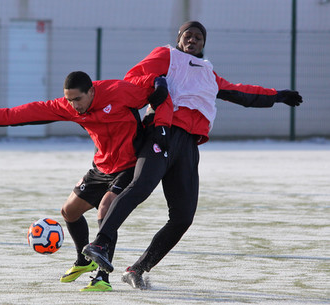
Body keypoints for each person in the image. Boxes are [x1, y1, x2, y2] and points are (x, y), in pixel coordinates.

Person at [82, 21, 303, 289]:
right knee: (139, 187)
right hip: (161, 134)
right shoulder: (166, 56)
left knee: (183, 217)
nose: (193, 39)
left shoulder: (208, 73)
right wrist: (155, 84)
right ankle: (100, 243)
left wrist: (277, 96)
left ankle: (137, 269)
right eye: (188, 35)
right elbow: (132, 78)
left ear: (203, 43)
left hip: (188, 146)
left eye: (198, 37)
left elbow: (242, 92)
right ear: (179, 39)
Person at [0, 71, 171, 292]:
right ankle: (83, 260)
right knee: (69, 212)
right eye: (69, 100)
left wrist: (159, 82)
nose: (74, 105)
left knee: (106, 210)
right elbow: (30, 111)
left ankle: (102, 277)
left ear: (91, 91)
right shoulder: (69, 107)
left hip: (128, 165)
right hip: (101, 166)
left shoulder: (117, 91)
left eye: (78, 99)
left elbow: (152, 90)